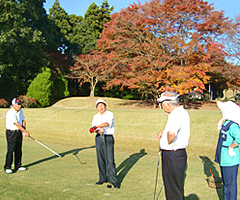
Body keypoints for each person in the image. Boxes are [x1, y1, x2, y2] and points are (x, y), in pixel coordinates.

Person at [157, 91, 190, 200]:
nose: (162, 107)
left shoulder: (176, 115)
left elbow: (172, 133)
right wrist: (164, 131)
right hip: (177, 155)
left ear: (167, 104)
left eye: (162, 104)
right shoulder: (181, 112)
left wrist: (167, 142)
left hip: (172, 155)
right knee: (174, 185)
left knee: (173, 187)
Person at [90, 99, 119, 189]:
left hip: (108, 138)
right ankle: (102, 178)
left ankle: (113, 180)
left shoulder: (110, 114)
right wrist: (98, 130)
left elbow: (107, 123)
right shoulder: (95, 116)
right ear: (96, 108)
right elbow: (93, 128)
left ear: (105, 106)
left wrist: (98, 127)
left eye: (102, 105)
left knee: (110, 160)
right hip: (99, 137)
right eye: (99, 106)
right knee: (100, 159)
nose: (101, 107)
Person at [215, 101, 240, 200]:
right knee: (226, 183)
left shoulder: (233, 126)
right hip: (224, 159)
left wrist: (231, 147)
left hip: (230, 160)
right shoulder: (226, 123)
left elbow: (238, 138)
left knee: (230, 184)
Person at [4, 98, 30, 174]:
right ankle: (7, 167)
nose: (19, 106)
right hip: (11, 133)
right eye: (18, 104)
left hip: (19, 132)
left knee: (18, 149)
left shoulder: (20, 111)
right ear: (13, 105)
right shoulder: (10, 113)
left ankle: (18, 165)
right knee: (11, 150)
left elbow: (23, 120)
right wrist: (24, 131)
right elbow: (16, 124)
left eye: (20, 104)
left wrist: (24, 129)